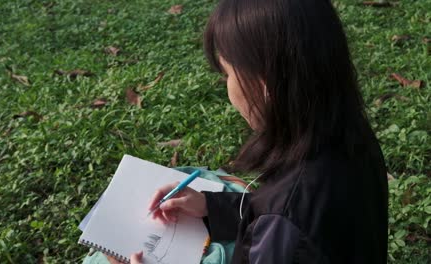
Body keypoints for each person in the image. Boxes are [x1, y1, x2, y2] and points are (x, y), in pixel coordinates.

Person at [112, 0, 389, 263]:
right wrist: (212, 207)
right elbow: (277, 211)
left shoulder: (285, 218)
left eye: (227, 74)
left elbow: (282, 217)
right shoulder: (346, 134)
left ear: (266, 83)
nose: (227, 88)